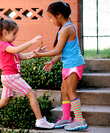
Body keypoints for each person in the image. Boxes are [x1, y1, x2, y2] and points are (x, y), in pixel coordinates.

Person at [0, 18, 54, 129]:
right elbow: (17, 50)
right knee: (31, 94)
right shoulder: (3, 45)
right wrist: (31, 42)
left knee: (4, 101)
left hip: (9, 77)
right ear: (5, 32)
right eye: (14, 34)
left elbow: (21, 56)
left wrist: (36, 52)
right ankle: (40, 120)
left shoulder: (10, 46)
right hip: (11, 77)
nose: (15, 36)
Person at [28, 1, 88, 131]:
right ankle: (66, 118)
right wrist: (52, 62)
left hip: (74, 64)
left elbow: (57, 50)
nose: (50, 20)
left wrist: (39, 55)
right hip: (68, 63)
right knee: (64, 90)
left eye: (51, 17)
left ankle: (79, 120)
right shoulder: (64, 28)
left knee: (71, 91)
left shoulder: (67, 28)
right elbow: (61, 52)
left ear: (59, 15)